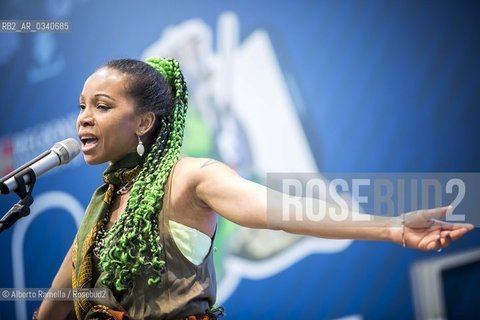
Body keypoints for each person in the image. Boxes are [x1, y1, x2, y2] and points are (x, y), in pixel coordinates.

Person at [35, 57, 474, 320]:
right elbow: (57, 305)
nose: (83, 118)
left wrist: (393, 227)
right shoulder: (102, 205)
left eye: (102, 106)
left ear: (145, 122)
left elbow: (283, 210)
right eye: (81, 107)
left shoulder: (190, 176)